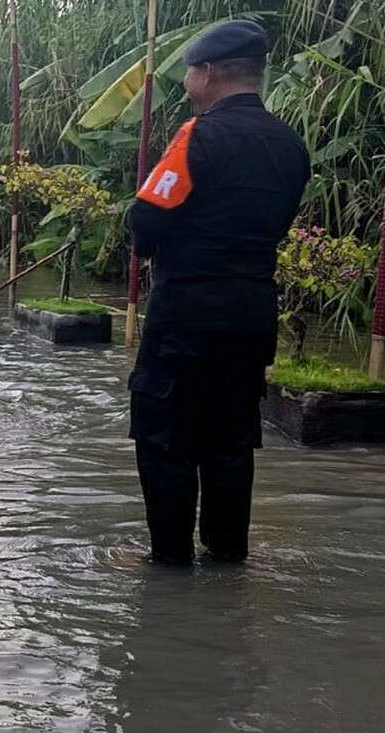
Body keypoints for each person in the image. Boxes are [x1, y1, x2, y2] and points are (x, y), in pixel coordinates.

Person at [126, 20, 310, 565]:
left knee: (165, 435)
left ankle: (168, 565)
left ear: (207, 72)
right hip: (253, 311)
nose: (186, 82)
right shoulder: (289, 144)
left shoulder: (197, 136)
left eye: (188, 72)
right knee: (231, 439)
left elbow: (145, 224)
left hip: (188, 310)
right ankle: (229, 560)